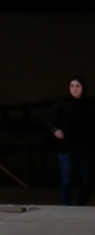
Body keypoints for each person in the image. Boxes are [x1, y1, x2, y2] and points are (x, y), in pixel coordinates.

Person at [44, 77, 95, 206]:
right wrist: (55, 130)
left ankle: (80, 206)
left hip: (84, 146)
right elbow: (47, 116)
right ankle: (67, 207)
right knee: (67, 179)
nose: (74, 89)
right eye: (72, 86)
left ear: (82, 88)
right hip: (66, 146)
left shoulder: (89, 104)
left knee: (87, 180)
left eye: (77, 86)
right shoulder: (63, 103)